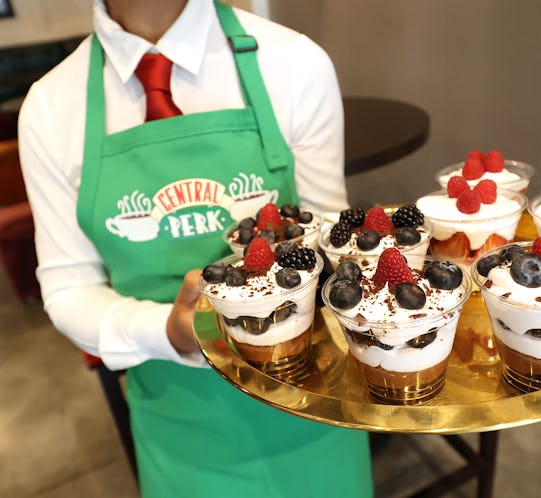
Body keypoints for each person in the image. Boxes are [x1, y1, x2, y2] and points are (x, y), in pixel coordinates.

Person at [18, 0, 373, 496]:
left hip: (312, 409)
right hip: (180, 429)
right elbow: (68, 287)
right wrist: (166, 330)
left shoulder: (293, 63)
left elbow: (335, 248)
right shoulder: (52, 107)